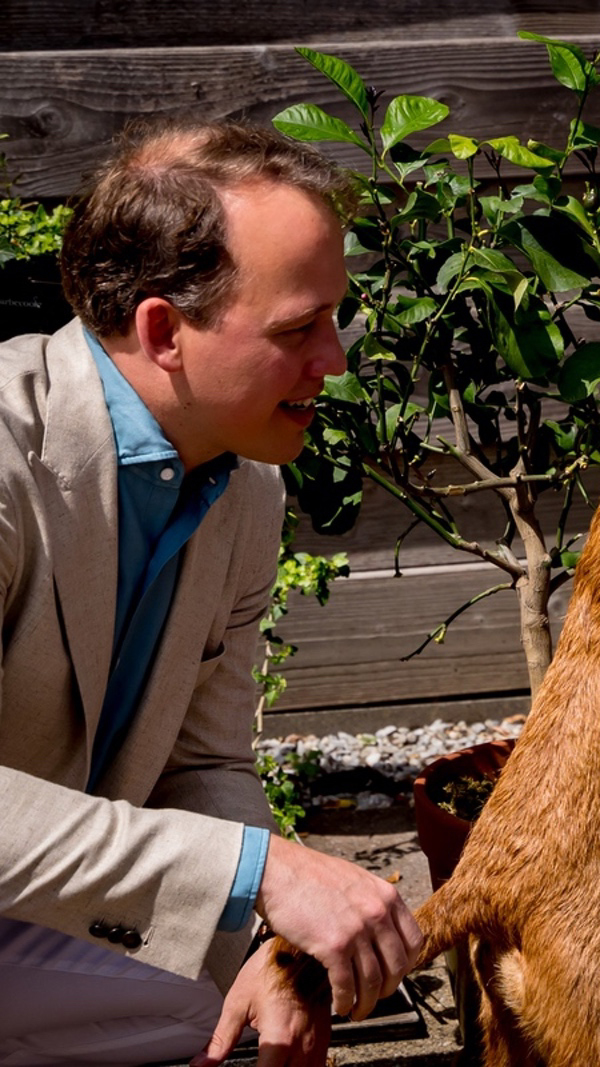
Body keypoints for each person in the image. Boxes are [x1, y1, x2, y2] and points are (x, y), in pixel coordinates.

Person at [0, 122, 423, 1067]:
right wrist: (263, 873)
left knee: (226, 997)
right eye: (297, 329)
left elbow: (203, 759)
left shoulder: (246, 487)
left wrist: (268, 936)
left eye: (334, 319)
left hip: (26, 910)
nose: (335, 360)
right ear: (163, 332)